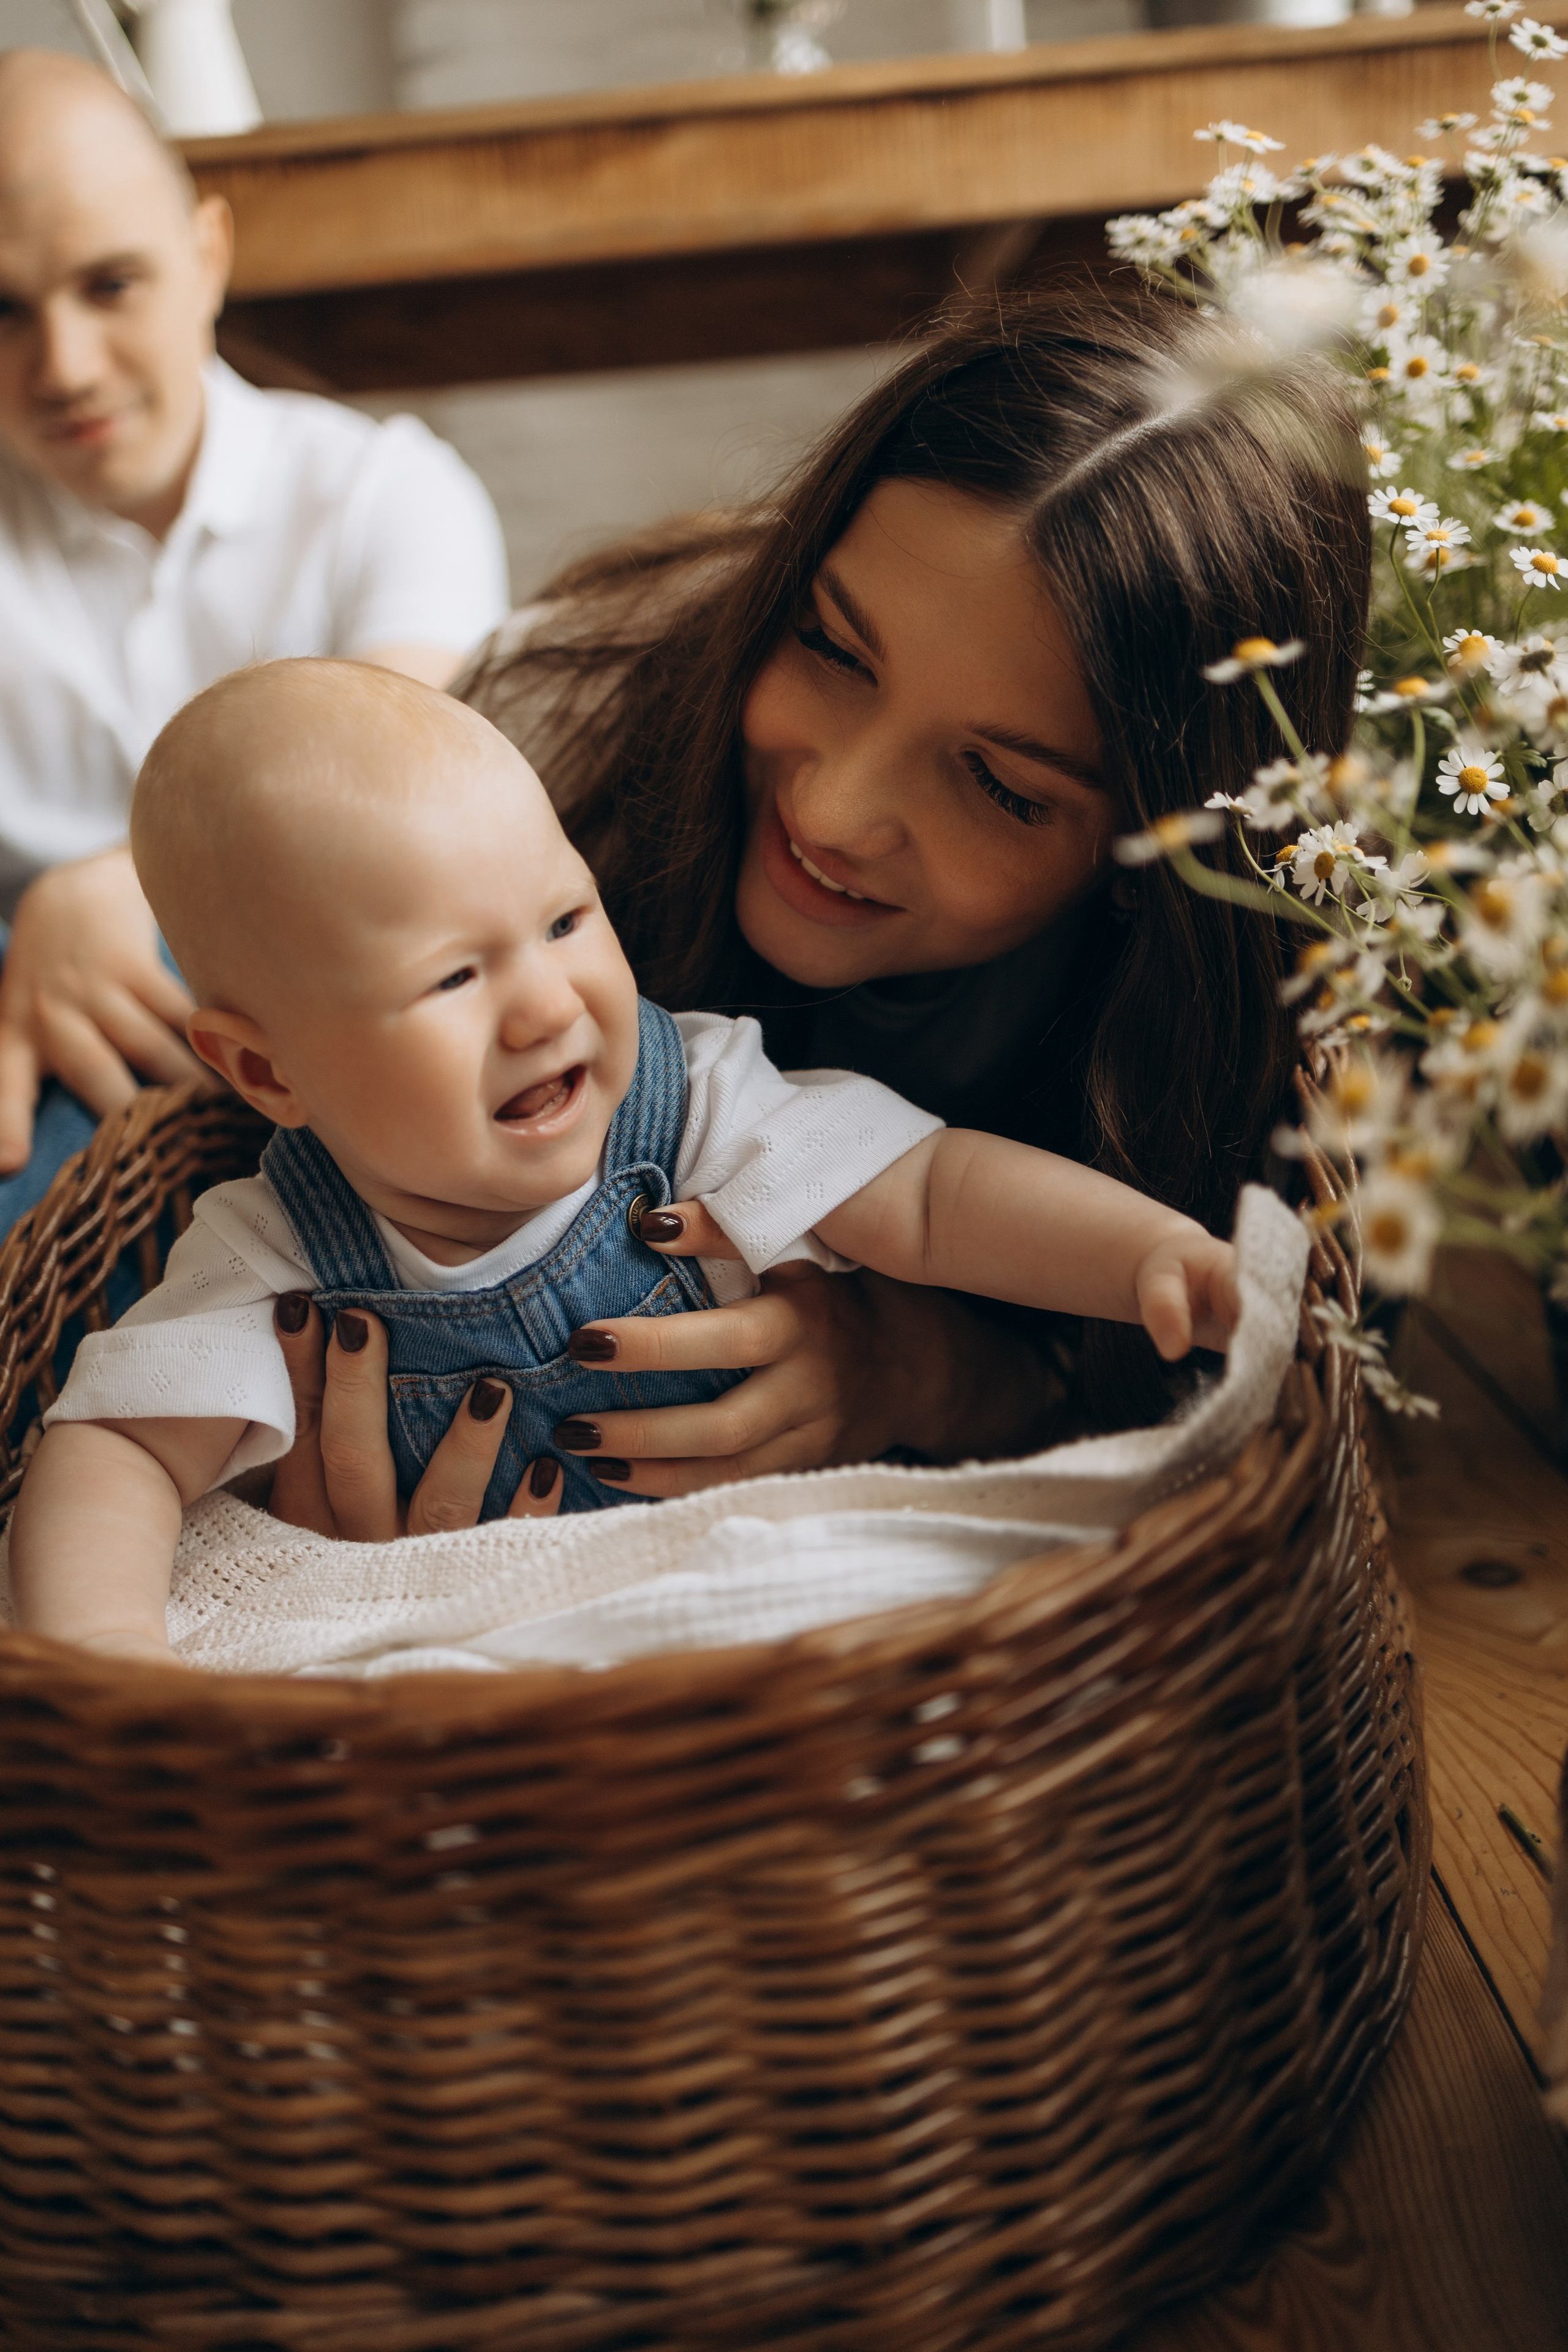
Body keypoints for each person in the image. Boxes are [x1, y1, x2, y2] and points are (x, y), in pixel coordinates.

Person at [251, 287, 1372, 1542]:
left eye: (999, 785)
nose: (835, 808)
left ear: (1159, 849)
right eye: (830, 649)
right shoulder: (561, 731)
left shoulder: (1274, 1018)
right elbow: (269, 894)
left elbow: (1237, 1404)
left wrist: (938, 1372)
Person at [10, 660, 1238, 1659]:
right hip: (493, 1680)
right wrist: (108, 1656)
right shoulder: (270, 1253)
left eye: (562, 920)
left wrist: (1147, 1255)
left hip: (759, 1611)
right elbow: (112, 1447)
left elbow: (927, 1195)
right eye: (450, 977)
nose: (544, 1006)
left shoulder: (694, 1104)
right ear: (269, 1074)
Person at [0, 48, 509, 1229]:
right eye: (4, 311)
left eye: (111, 285)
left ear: (209, 259)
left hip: (330, 1020)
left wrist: (115, 887)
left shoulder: (388, 492)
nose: (64, 367)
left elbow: (396, 813)